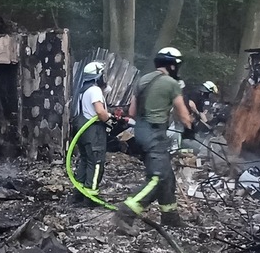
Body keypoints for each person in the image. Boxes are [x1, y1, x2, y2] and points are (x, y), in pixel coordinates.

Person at [112, 47, 193, 236]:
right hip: (155, 133)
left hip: (140, 131)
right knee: (157, 177)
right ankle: (125, 213)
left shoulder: (143, 80)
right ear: (172, 65)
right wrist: (190, 128)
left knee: (166, 174)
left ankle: (170, 216)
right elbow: (182, 113)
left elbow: (132, 112)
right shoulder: (171, 83)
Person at [70, 61, 111, 207]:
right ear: (98, 76)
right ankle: (91, 198)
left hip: (82, 132)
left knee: (85, 161)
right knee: (96, 163)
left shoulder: (83, 90)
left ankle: (78, 194)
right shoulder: (95, 90)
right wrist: (109, 118)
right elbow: (100, 111)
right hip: (93, 132)